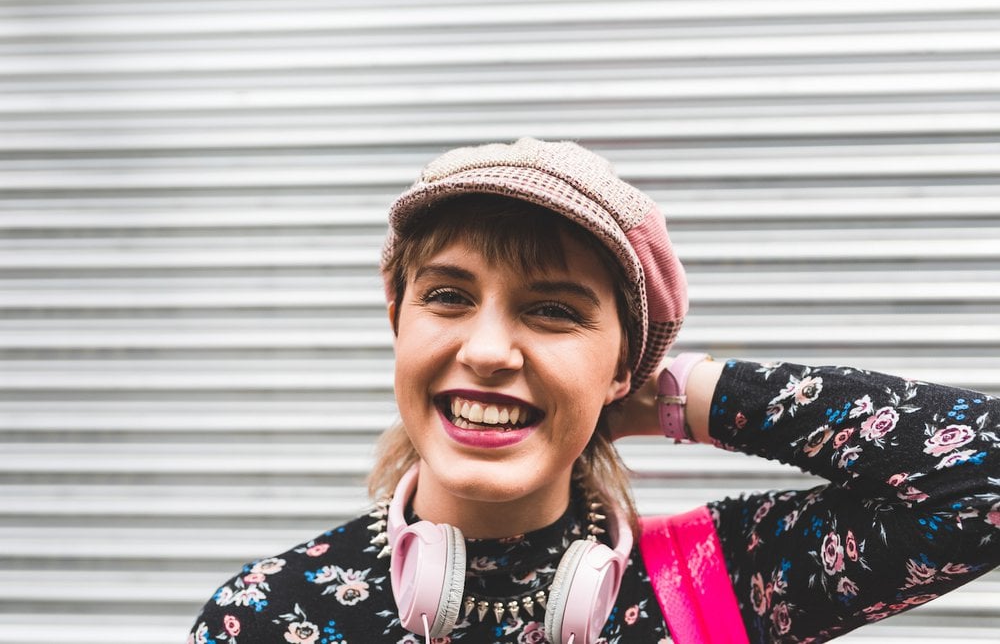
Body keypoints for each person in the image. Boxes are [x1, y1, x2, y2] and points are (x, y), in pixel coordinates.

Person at [188, 138, 1000, 644]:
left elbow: (982, 483)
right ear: (397, 320)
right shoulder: (261, 617)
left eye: (552, 311)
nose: (489, 350)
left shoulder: (726, 580)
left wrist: (686, 394)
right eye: (447, 296)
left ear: (624, 369)